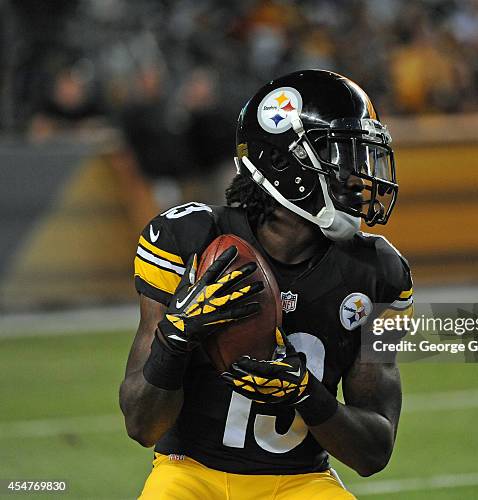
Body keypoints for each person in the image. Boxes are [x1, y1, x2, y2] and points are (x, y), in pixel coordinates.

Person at [120, 69, 413, 499]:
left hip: (302, 480)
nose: (358, 176)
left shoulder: (377, 270)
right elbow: (142, 426)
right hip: (190, 474)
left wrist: (305, 393)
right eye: (341, 157)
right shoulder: (190, 241)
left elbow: (374, 451)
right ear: (282, 163)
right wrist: (175, 337)